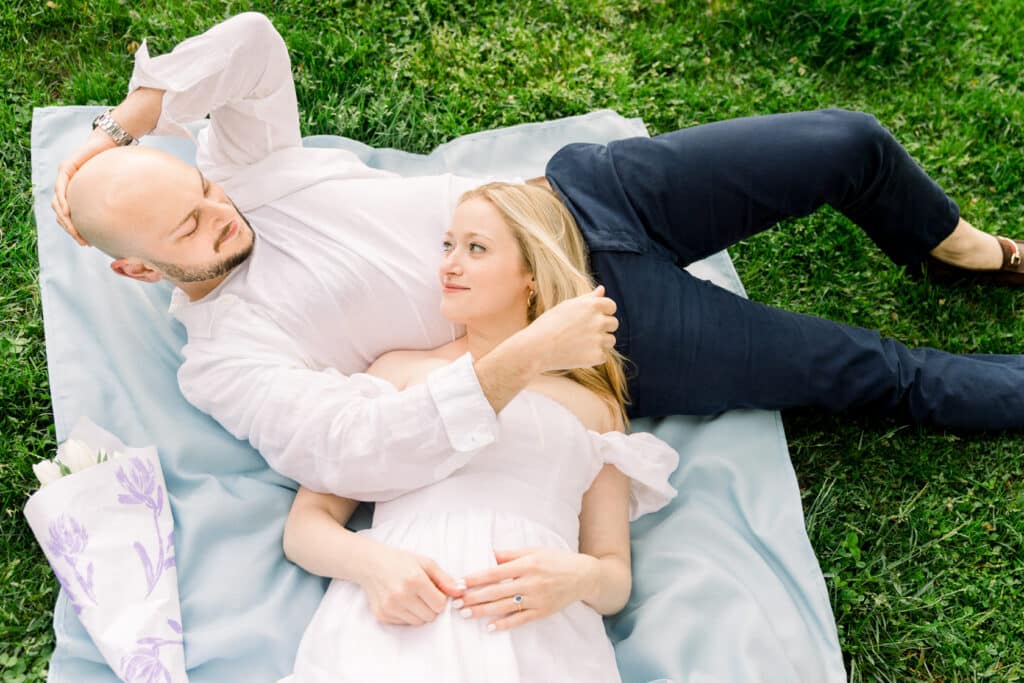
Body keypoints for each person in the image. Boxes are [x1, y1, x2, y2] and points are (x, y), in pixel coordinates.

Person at [55, 12, 1024, 507]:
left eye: (200, 194)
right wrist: (528, 352)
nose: (218, 216)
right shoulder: (226, 353)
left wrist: (134, 116)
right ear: (138, 271)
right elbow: (346, 447)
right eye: (186, 232)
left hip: (583, 193)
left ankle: (961, 255)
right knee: (875, 369)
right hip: (597, 320)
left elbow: (254, 45)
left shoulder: (242, 171)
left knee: (846, 142)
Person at [277, 182, 678, 682]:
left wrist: (579, 577)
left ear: (531, 275)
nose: (449, 264)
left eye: (476, 248)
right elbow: (305, 527)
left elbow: (613, 572)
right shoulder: (398, 372)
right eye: (447, 245)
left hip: (536, 629)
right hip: (402, 617)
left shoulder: (593, 404)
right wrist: (372, 565)